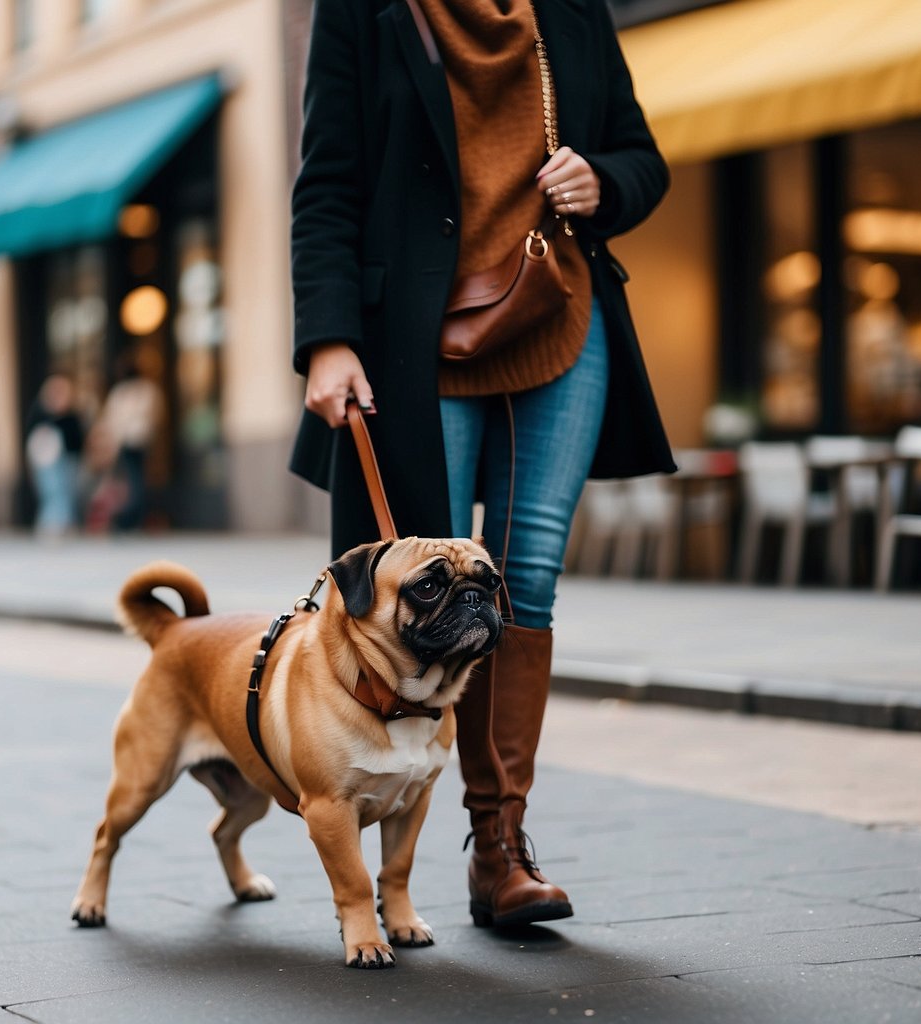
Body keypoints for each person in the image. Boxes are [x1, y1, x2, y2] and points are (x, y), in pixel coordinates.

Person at [290, 0, 675, 930]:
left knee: (525, 573)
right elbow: (328, 180)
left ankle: (499, 847)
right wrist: (328, 337)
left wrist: (604, 180)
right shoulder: (362, 9)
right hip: (417, 334)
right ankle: (375, 838)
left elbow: (641, 154)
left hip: (559, 312)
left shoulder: (572, 9)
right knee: (415, 576)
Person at [97, 353, 163, 532]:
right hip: (134, 440)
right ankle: (132, 517)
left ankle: (132, 517)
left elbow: (113, 419)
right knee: (134, 479)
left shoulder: (132, 391)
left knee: (134, 479)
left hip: (133, 440)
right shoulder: (144, 390)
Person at [25, 375, 85, 537]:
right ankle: (50, 524)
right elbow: (32, 440)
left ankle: (66, 523)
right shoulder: (40, 414)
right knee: (52, 492)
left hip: (69, 460)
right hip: (47, 463)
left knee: (67, 492)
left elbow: (78, 441)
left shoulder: (72, 416)